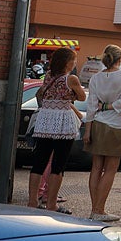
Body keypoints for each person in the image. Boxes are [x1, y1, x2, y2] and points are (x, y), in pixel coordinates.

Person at [27, 47, 85, 214]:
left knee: (39, 162)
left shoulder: (48, 76)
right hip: (62, 122)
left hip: (45, 121)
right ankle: (52, 203)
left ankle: (32, 201)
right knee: (58, 165)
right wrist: (71, 96)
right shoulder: (71, 79)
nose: (75, 63)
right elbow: (82, 97)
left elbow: (41, 94)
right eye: (73, 60)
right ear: (68, 62)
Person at [83, 44, 121, 221]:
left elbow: (91, 106)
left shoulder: (95, 78)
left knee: (96, 168)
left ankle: (94, 208)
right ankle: (99, 209)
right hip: (115, 125)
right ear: (120, 59)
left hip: (97, 123)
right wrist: (109, 106)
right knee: (111, 169)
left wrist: (87, 130)